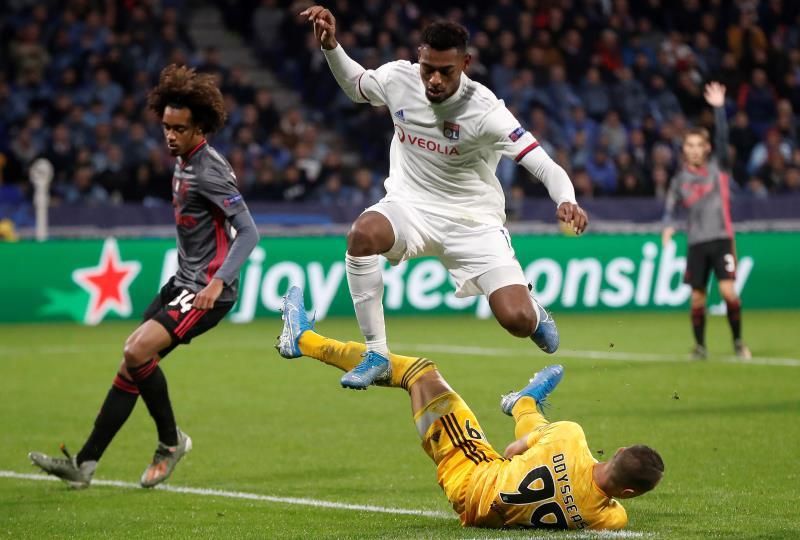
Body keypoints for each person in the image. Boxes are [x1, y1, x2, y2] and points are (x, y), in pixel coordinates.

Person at [301, 6, 589, 389]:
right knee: (362, 235)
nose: (434, 80)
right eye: (428, 69)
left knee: (516, 320)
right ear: (419, 57)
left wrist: (566, 198)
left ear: (465, 63)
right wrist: (331, 47)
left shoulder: (486, 111)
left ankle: (534, 314)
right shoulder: (399, 78)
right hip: (410, 207)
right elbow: (356, 85)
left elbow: (544, 164)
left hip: (473, 222)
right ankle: (377, 354)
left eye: (445, 71)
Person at [29, 65, 260, 488]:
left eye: (179, 129)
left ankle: (171, 442)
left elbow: (248, 232)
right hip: (183, 282)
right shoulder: (183, 163)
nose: (170, 136)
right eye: (166, 127)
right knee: (132, 363)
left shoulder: (208, 169)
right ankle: (84, 465)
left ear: (199, 128)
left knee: (136, 350)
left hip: (207, 291)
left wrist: (217, 282)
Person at [276, 286, 664, 530]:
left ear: (618, 450)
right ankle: (522, 401)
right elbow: (589, 494)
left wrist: (535, 458)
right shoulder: (609, 519)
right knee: (539, 438)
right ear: (629, 493)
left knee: (419, 372)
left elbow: (514, 450)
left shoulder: (571, 437)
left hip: (471, 473)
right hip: (487, 509)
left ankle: (303, 339)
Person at [662, 82, 751, 361]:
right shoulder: (679, 180)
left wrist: (719, 110)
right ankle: (700, 347)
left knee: (728, 291)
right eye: (689, 145)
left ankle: (738, 342)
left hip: (722, 238)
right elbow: (670, 209)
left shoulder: (719, 169)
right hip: (696, 243)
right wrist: (668, 227)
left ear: (708, 148)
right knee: (697, 298)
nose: (694, 150)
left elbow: (724, 140)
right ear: (684, 149)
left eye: (699, 145)